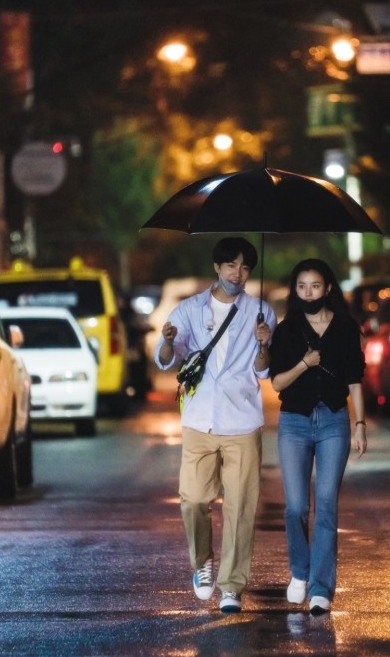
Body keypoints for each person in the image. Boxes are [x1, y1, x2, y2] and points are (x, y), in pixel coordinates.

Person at [154, 237, 276, 613]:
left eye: (244, 268)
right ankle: (202, 563)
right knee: (192, 499)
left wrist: (263, 344)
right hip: (198, 417)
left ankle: (232, 586)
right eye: (230, 266)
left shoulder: (261, 312)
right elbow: (167, 360)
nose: (237, 274)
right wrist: (167, 342)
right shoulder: (188, 309)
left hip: (243, 418)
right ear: (217, 268)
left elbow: (264, 370)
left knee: (240, 506)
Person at [268, 258, 367, 615]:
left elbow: (355, 378)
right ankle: (300, 572)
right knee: (296, 506)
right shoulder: (287, 330)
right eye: (301, 286)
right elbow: (276, 382)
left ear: (328, 288)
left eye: (315, 285)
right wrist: (304, 364)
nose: (308, 292)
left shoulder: (345, 328)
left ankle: (322, 587)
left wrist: (359, 425)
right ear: (295, 291)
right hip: (294, 421)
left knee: (326, 504)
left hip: (333, 422)